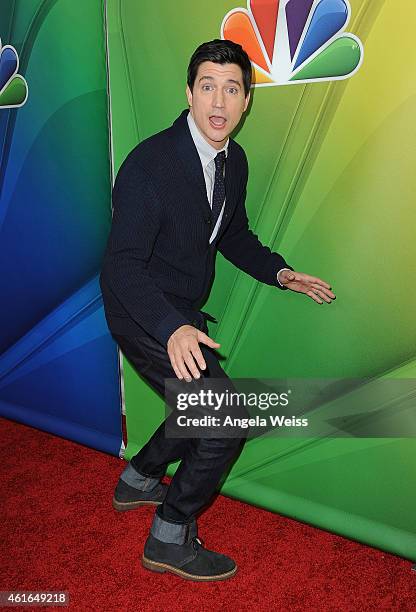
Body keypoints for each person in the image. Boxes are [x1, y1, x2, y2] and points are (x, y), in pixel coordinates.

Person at [99, 39, 335, 582]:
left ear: (247, 100)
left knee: (199, 407)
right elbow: (122, 267)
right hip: (142, 311)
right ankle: (169, 534)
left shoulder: (234, 160)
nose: (219, 102)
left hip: (181, 314)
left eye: (232, 89)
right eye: (208, 86)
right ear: (189, 92)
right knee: (225, 421)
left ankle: (136, 480)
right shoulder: (149, 166)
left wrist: (280, 272)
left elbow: (231, 234)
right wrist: (171, 326)